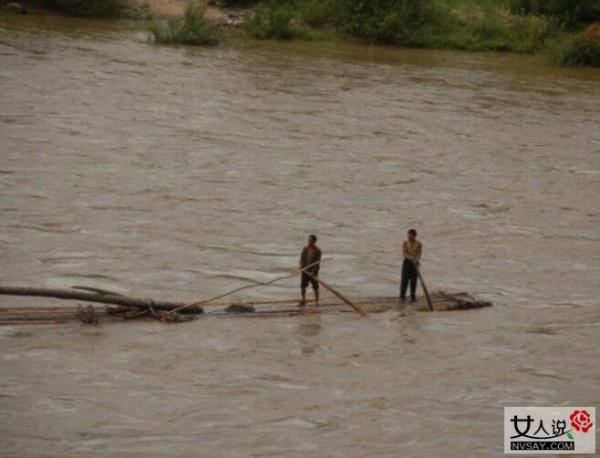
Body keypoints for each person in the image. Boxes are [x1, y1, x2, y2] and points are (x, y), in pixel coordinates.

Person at [299, 234, 322, 306]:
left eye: (311, 240)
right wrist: (301, 266)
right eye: (308, 240)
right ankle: (303, 300)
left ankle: (317, 301)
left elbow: (317, 262)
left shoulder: (318, 251)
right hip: (305, 270)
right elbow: (302, 259)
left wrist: (313, 272)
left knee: (315, 286)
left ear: (314, 242)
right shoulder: (305, 249)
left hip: (313, 270)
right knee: (303, 285)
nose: (309, 242)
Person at [400, 229, 422, 302]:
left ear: (414, 236)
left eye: (410, 235)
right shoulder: (405, 243)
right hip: (407, 263)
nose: (408, 236)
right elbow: (404, 253)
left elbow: (419, 254)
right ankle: (402, 296)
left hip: (415, 264)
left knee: (413, 281)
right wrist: (411, 258)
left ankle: (413, 297)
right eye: (408, 235)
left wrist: (416, 260)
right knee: (404, 280)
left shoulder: (419, 244)